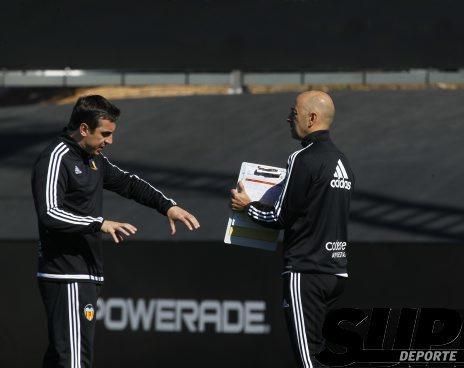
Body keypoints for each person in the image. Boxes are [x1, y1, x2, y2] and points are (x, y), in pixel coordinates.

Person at [31, 95, 200, 368]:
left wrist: (167, 207)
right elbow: (49, 213)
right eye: (105, 134)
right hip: (66, 273)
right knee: (73, 361)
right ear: (84, 129)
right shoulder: (56, 157)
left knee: (62, 358)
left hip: (85, 272)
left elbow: (128, 183)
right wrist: (99, 223)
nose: (109, 141)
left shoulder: (94, 160)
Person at [231, 91, 353, 367]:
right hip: (335, 272)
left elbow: (279, 216)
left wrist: (246, 205)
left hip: (305, 272)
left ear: (311, 118)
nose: (288, 118)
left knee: (308, 361)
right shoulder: (342, 160)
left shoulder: (303, 158)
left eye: (294, 113)